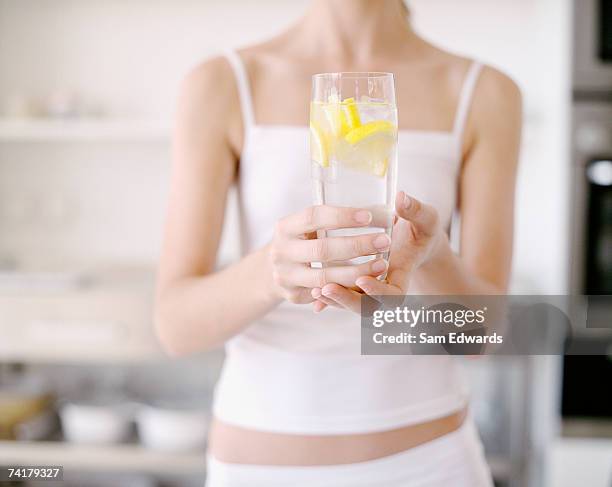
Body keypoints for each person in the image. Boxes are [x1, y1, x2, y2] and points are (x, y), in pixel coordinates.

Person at [154, 0, 522, 485]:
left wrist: (432, 255)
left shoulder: (485, 91)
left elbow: (483, 336)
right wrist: (271, 272)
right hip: (259, 466)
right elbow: (175, 326)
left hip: (430, 464)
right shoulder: (222, 82)